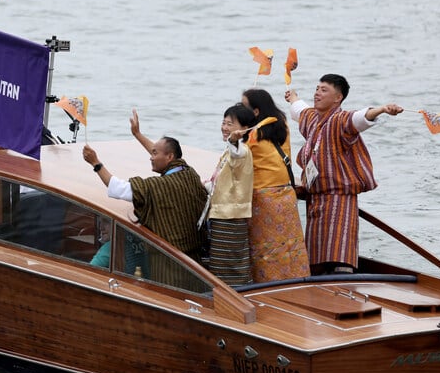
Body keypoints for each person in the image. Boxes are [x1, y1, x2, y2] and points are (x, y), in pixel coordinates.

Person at [285, 74, 403, 274]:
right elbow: (299, 109)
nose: (317, 93)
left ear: (337, 98)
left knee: (339, 258)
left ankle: (343, 288)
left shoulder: (341, 120)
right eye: (317, 88)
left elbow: (361, 118)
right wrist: (293, 97)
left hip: (339, 200)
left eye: (324, 90)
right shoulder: (312, 118)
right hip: (315, 199)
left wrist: (382, 109)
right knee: (315, 260)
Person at [82, 114, 207, 262]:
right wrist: (138, 134)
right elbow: (161, 154)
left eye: (155, 153)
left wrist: (95, 163)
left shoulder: (157, 187)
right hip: (194, 258)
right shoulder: (188, 172)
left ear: (169, 157)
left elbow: (117, 188)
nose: (151, 157)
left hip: (170, 263)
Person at [241, 89, 310, 282]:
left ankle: (268, 285)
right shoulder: (282, 125)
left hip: (264, 198)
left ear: (255, 112)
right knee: (290, 245)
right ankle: (297, 280)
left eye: (243, 106)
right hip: (286, 194)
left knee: (265, 248)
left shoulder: (252, 135)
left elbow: (239, 159)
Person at [202, 103, 257, 286]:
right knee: (220, 263)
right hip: (222, 214)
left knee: (231, 263)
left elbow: (237, 153)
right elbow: (224, 182)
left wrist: (233, 141)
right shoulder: (229, 150)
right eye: (223, 123)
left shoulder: (241, 150)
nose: (224, 128)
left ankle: (237, 296)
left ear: (244, 129)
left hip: (230, 217)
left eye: (230, 124)